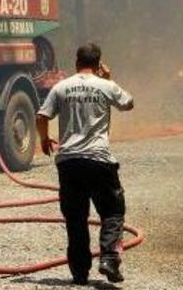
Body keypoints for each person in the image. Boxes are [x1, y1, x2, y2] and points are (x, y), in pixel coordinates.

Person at [36, 43, 134, 285]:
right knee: (112, 211)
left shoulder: (61, 87)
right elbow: (128, 103)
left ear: (76, 62)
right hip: (99, 161)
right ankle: (109, 259)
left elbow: (41, 116)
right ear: (99, 64)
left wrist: (44, 138)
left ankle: (79, 274)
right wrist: (109, 79)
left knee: (76, 218)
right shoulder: (106, 85)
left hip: (69, 162)